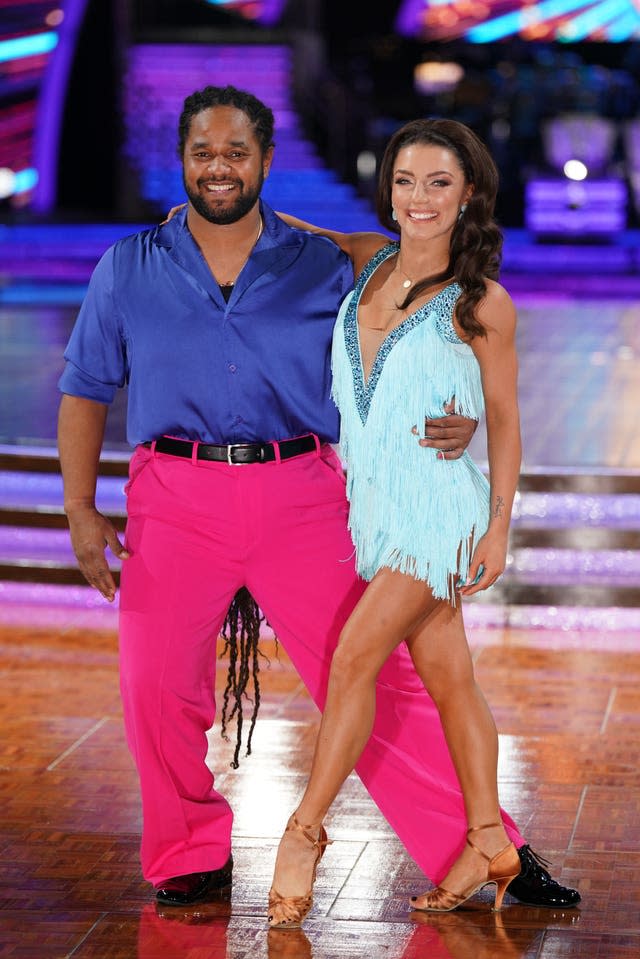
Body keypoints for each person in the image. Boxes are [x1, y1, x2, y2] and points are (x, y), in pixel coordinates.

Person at [57, 84, 579, 911]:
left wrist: (464, 407)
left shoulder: (330, 259)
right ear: (182, 161)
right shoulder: (128, 265)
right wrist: (80, 508)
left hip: (301, 491)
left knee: (382, 680)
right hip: (173, 494)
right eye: (203, 152)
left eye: (237, 151)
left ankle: (489, 842)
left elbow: (440, 293)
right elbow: (85, 388)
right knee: (151, 687)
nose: (219, 167)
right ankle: (189, 848)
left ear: (266, 159)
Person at [266, 118, 572, 927]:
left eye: (439, 182)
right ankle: (486, 841)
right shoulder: (367, 260)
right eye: (406, 180)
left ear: (469, 193)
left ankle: (304, 829)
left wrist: (499, 526)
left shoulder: (482, 304)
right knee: (451, 680)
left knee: (355, 656)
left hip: (440, 514)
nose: (419, 199)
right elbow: (289, 226)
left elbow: (503, 419)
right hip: (378, 511)